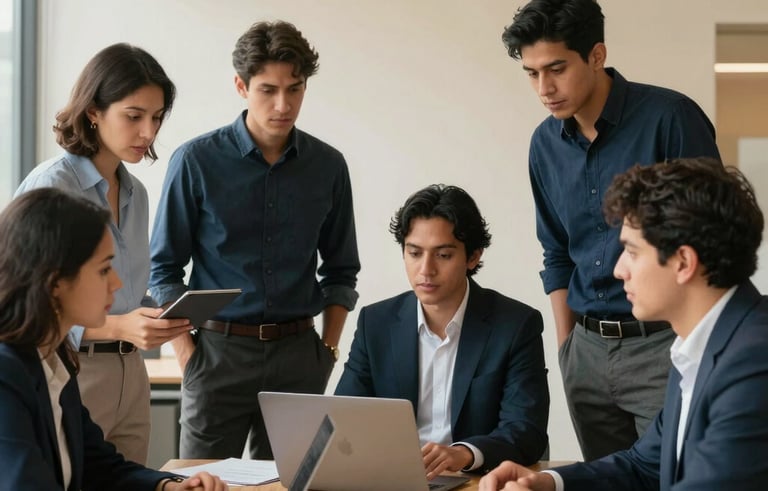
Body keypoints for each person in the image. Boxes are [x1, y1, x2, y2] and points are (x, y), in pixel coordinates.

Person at [500, 0, 722, 460]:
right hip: (585, 353)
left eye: (556, 68)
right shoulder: (543, 144)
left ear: (596, 55)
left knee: (674, 478)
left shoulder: (671, 118)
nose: (544, 88)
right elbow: (556, 252)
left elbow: (711, 242)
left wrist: (695, 349)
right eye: (532, 73)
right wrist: (567, 353)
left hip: (664, 345)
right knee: (603, 481)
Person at [479, 157, 768, 491]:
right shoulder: (703, 344)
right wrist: (546, 482)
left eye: (631, 251)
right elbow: (644, 464)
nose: (618, 270)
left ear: (684, 262)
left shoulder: (753, 364)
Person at [149, 20, 360, 460]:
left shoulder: (329, 166)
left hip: (300, 357)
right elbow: (164, 268)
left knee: (294, 485)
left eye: (295, 89)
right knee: (203, 484)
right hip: (217, 356)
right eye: (268, 89)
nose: (283, 105)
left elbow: (341, 269)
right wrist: (189, 356)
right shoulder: (195, 161)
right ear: (241, 86)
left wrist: (328, 349)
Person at [15, 43, 192, 465]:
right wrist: (118, 326)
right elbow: (27, 306)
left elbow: (129, 292)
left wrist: (158, 316)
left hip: (132, 375)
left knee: (130, 480)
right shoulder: (52, 187)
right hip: (73, 368)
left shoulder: (138, 194)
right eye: (134, 116)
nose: (148, 132)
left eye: (156, 117)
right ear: (93, 111)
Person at [0, 188, 225, 490]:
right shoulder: (6, 374)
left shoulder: (55, 357)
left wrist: (168, 486)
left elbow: (99, 465)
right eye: (104, 269)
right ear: (54, 282)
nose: (117, 283)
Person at [335, 184, 549, 477]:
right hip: (394, 479)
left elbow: (526, 431)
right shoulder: (375, 323)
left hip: (475, 479)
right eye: (414, 253)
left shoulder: (515, 325)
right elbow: (343, 418)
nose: (425, 269)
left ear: (472, 257)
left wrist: (464, 454)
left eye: (443, 255)